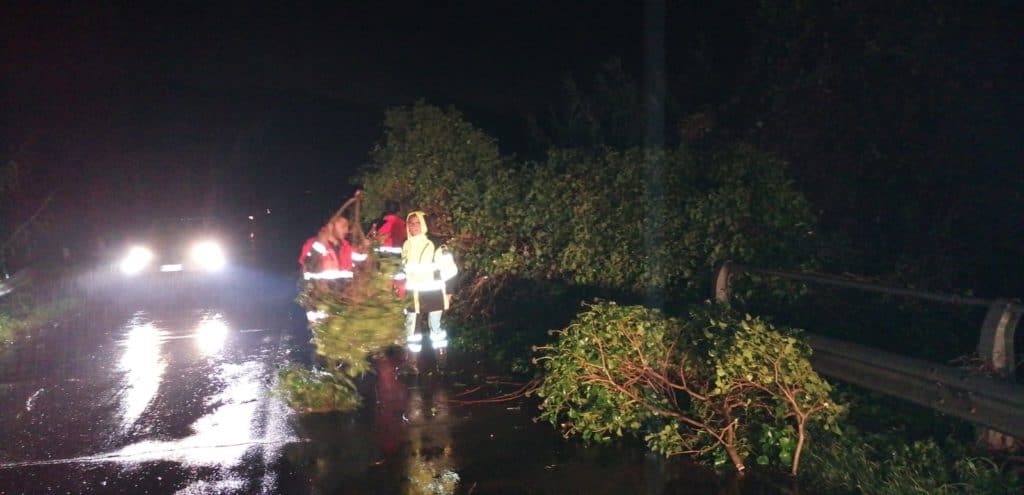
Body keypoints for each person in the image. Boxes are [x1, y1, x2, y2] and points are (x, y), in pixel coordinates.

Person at [400, 211, 457, 353]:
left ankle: (441, 359)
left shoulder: (436, 243)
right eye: (411, 223)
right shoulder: (406, 244)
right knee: (411, 327)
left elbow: (450, 269)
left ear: (423, 224)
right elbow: (404, 269)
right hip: (413, 293)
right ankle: (412, 361)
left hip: (434, 291)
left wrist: (449, 292)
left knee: (435, 325)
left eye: (417, 223)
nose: (414, 226)